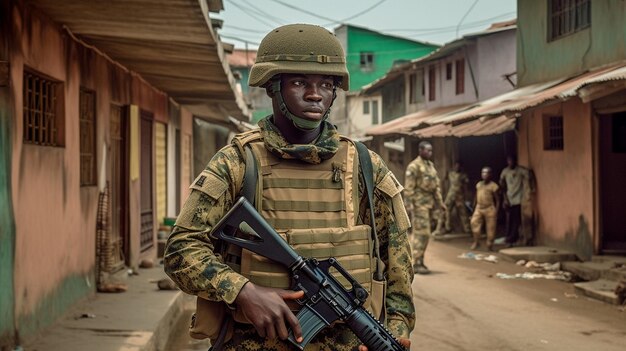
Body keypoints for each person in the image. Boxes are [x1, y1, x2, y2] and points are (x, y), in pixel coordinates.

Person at [164, 24, 414, 351]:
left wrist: (393, 331)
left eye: (326, 84)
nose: (315, 94)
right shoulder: (239, 162)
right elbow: (181, 250)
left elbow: (397, 264)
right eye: (299, 82)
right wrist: (243, 291)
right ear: (272, 87)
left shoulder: (364, 165)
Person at [404, 141, 446, 274]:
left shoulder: (430, 166)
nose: (430, 153)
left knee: (425, 234)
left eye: (431, 151)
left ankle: (420, 260)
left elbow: (436, 187)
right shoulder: (414, 166)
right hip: (419, 205)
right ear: (420, 150)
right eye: (428, 150)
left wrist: (441, 203)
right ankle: (415, 263)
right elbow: (409, 188)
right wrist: (409, 205)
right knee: (421, 233)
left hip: (430, 205)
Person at [500, 155, 532, 247]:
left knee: (516, 220)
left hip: (518, 199)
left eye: (512, 160)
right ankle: (509, 238)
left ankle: (513, 238)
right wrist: (505, 199)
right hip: (508, 199)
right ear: (507, 161)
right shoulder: (505, 172)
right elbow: (502, 185)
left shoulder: (520, 170)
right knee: (509, 219)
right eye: (509, 161)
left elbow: (529, 174)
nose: (511, 162)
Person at [434, 160, 471, 235]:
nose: (457, 167)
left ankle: (467, 229)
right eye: (456, 166)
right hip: (450, 196)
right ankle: (441, 228)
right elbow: (443, 180)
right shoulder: (451, 173)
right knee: (444, 211)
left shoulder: (463, 175)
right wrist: (442, 192)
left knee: (463, 213)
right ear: (454, 166)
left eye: (459, 166)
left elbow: (466, 187)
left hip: (460, 196)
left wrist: (466, 197)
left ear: (461, 167)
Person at [470, 167, 500, 251]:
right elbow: (476, 196)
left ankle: (489, 244)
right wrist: (474, 205)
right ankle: (476, 241)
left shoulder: (494, 186)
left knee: (491, 229)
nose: (484, 175)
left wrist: (496, 210)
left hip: (489, 208)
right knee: (474, 222)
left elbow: (498, 199)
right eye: (483, 173)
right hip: (479, 207)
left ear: (490, 175)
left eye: (486, 173)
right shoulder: (479, 184)